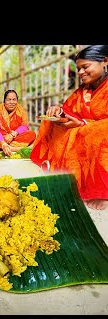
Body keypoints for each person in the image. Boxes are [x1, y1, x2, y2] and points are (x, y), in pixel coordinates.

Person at [30, 45, 108, 211]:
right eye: (78, 68)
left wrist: (84, 124)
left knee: (93, 133)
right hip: (84, 128)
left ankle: (101, 193)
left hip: (100, 133)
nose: (80, 72)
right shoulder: (83, 90)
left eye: (85, 67)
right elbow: (70, 110)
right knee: (52, 123)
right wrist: (58, 111)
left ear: (105, 61)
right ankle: (63, 173)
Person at [0, 89, 36, 156]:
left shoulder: (21, 110)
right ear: (4, 101)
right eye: (9, 100)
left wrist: (12, 135)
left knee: (31, 134)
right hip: (0, 137)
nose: (11, 102)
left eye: (14, 99)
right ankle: (11, 147)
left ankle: (9, 148)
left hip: (15, 136)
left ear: (17, 101)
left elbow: (25, 126)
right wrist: (3, 143)